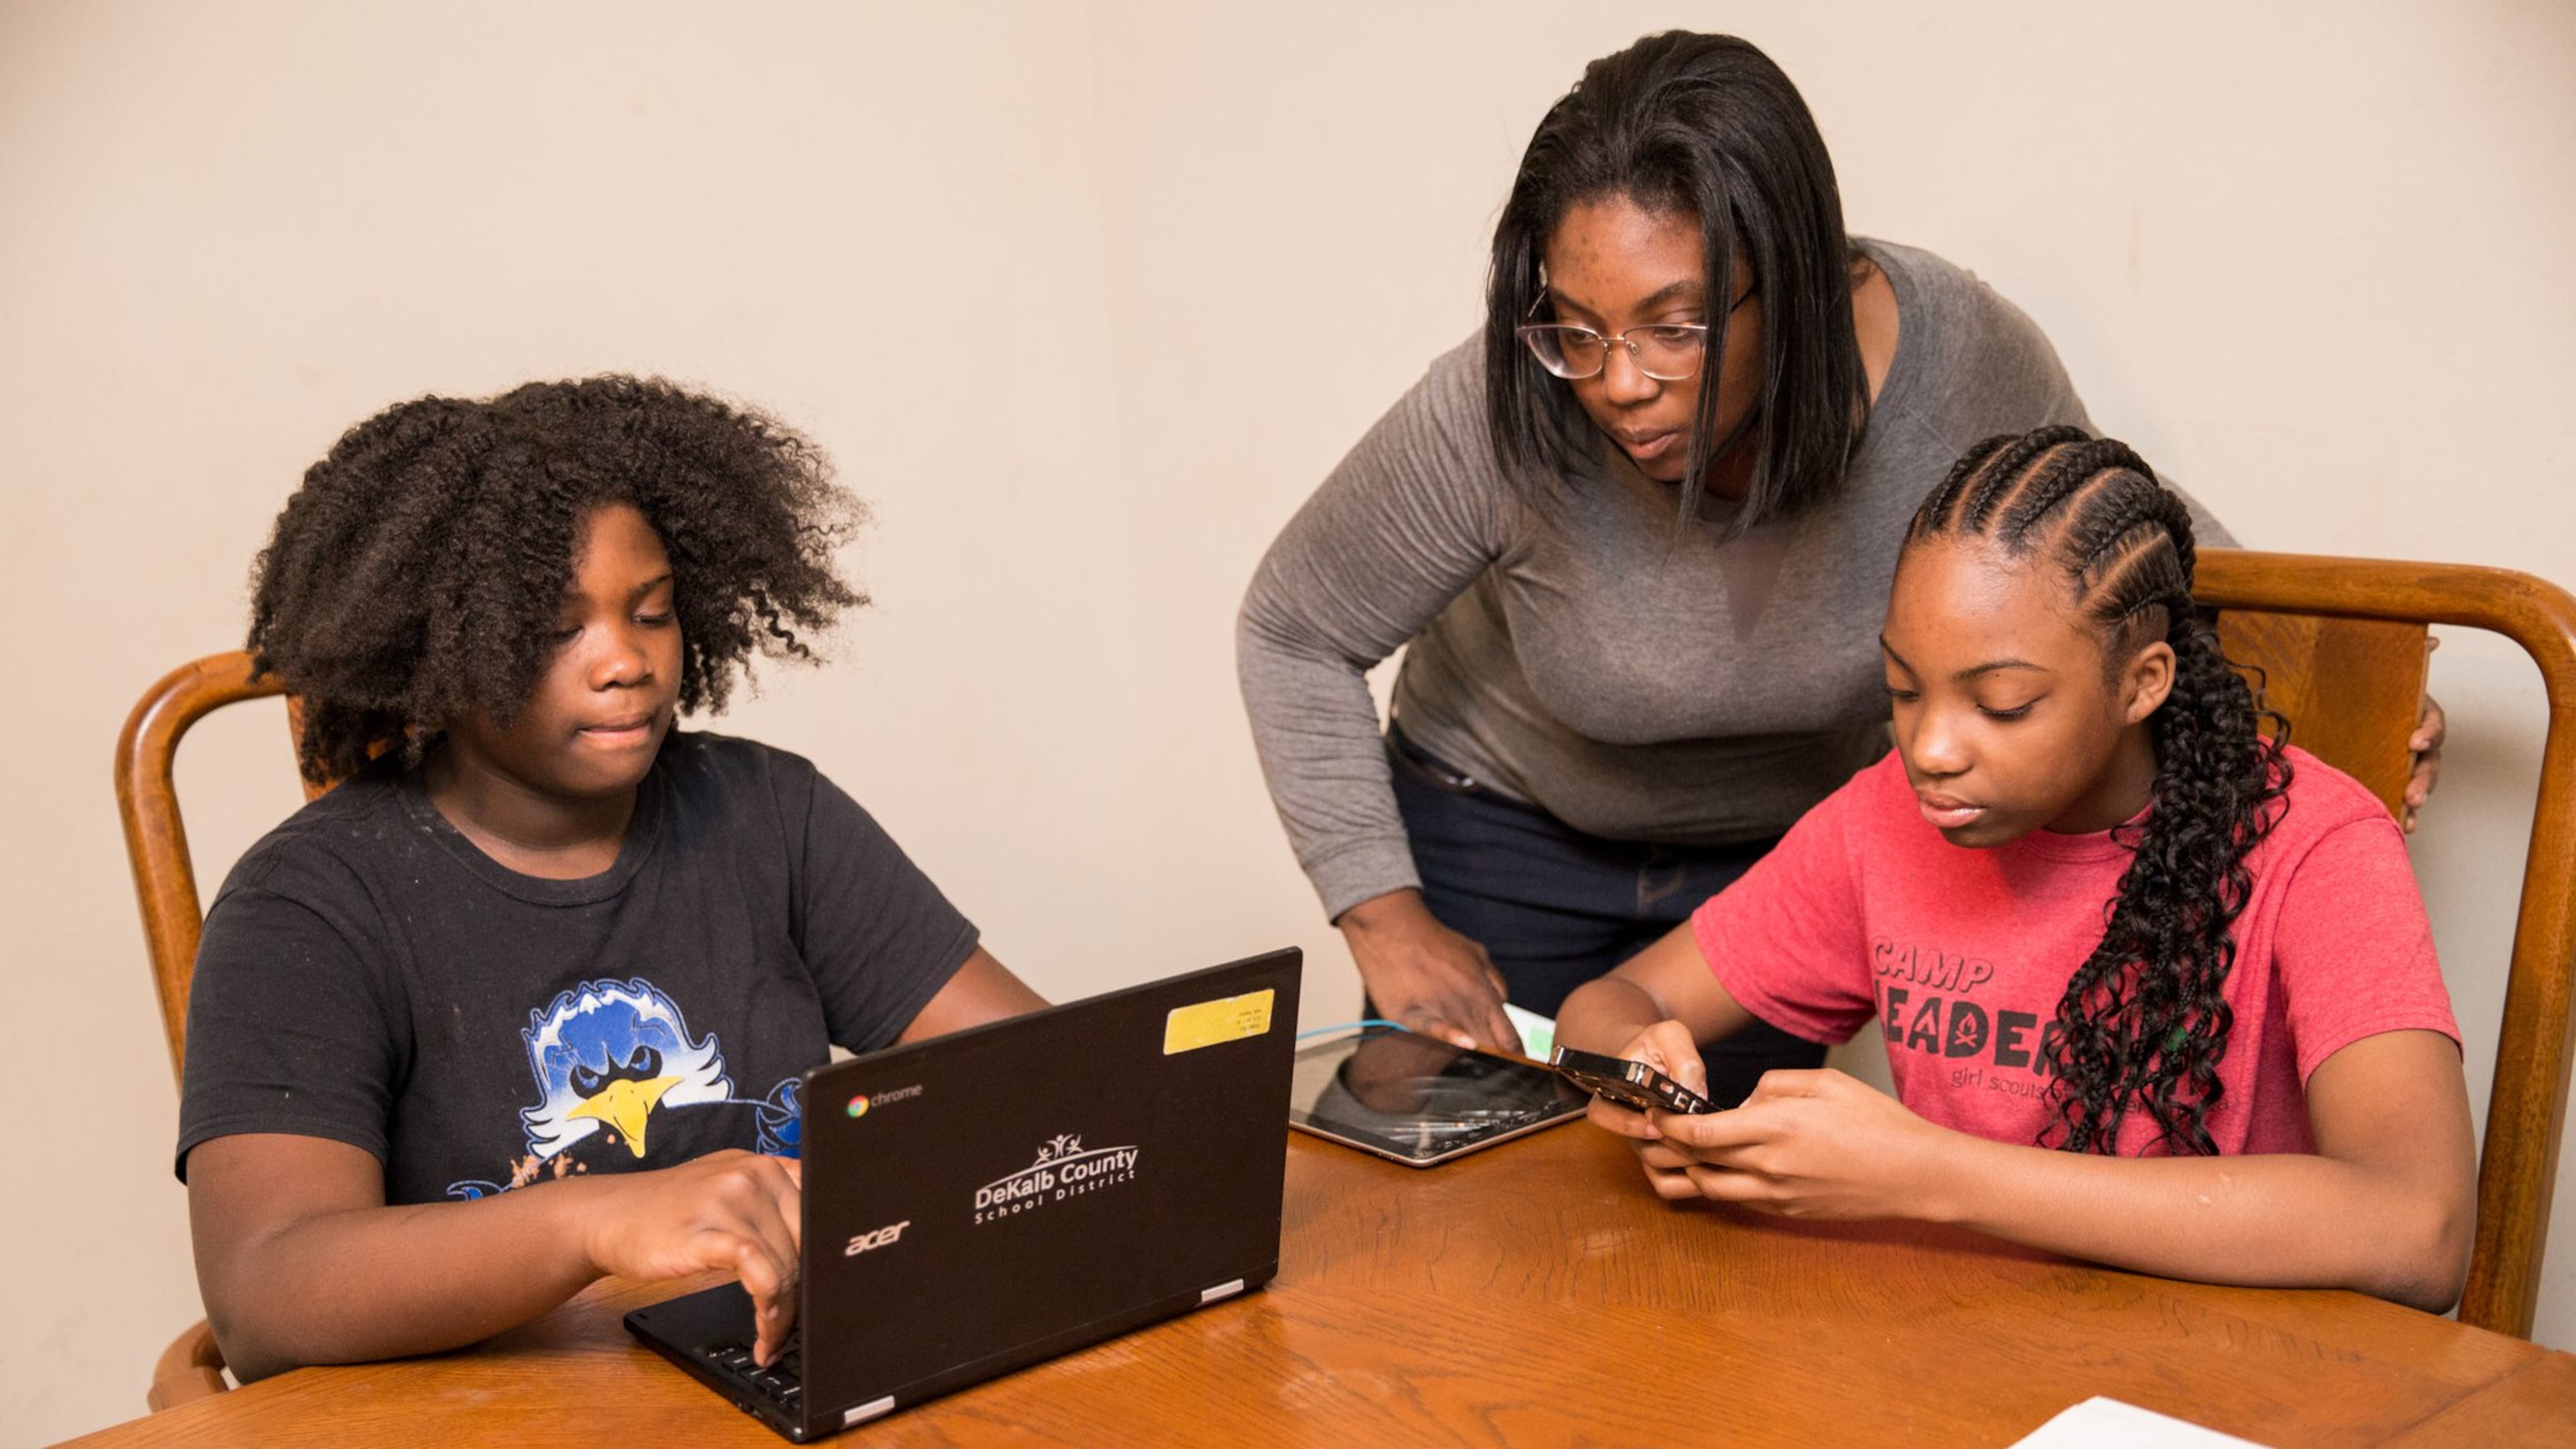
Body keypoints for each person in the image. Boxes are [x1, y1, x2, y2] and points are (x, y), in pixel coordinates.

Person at [1236, 32, 2445, 1104]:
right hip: (1506, 836)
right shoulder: (1503, 405)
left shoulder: (1955, 361)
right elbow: (1293, 626)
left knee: (1705, 1251)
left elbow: (2119, 539)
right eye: (1577, 328)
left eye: (1676, 325)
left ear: (1797, 285)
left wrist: (2359, 688)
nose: (1618, 381)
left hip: (1784, 866)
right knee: (1487, 1231)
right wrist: (1385, 918)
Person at [176, 377, 1046, 1380]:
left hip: (768, 1369)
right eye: (556, 630)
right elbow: (265, 1292)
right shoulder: (308, 906)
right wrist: (595, 1220)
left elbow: (1041, 1075)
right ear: (445, 649)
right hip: (494, 1409)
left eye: (654, 613)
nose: (625, 661)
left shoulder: (768, 815)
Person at [1555, 427, 2475, 1310]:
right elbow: (1618, 1001)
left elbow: (2418, 1230)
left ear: (2142, 683)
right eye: (1903, 692)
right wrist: (1634, 1078)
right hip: (1957, 1343)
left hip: (2214, 1372)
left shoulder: (2316, 840)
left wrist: (1929, 1175)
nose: (1932, 749)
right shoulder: (1886, 817)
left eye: (2003, 704)